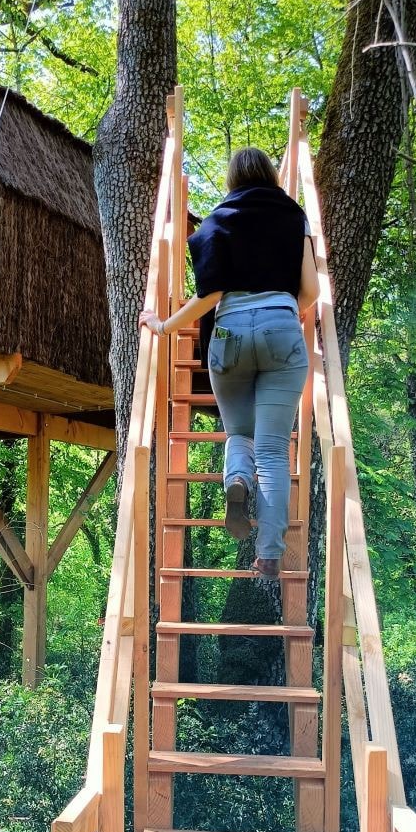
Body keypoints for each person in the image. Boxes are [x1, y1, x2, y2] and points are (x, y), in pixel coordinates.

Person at [139, 146, 319, 580]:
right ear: (273, 175)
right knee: (274, 450)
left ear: (231, 179)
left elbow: (210, 296)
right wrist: (279, 315)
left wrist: (162, 325)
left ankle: (237, 480)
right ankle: (270, 554)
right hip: (281, 327)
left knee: (239, 432)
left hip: (229, 335)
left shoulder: (216, 222)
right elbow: (310, 291)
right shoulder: (294, 218)